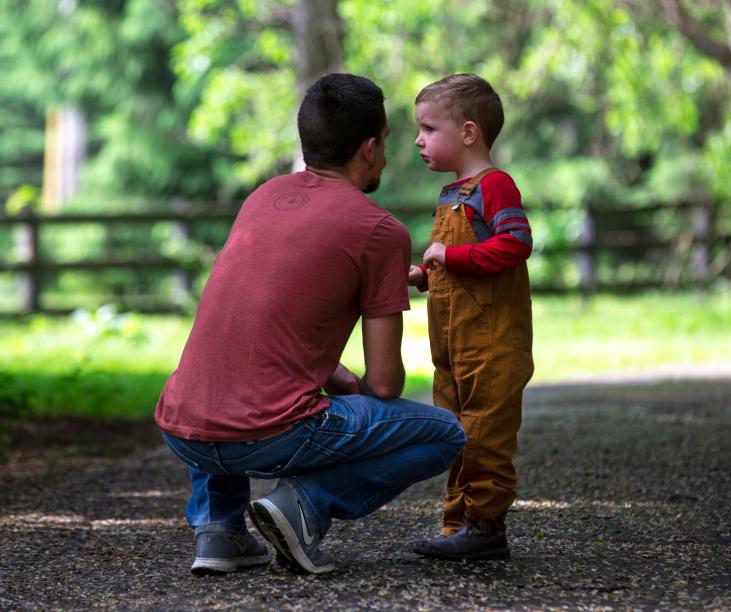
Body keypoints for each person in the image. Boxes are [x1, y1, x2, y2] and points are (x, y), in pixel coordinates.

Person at [155, 73, 466, 576]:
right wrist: (347, 399)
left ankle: (221, 531)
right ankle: (305, 505)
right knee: (446, 434)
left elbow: (266, 321)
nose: (387, 153)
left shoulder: (261, 199)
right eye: (386, 142)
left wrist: (329, 371)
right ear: (369, 148)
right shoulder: (380, 231)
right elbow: (385, 383)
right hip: (269, 435)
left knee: (220, 387)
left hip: (183, 426)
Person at [407, 74, 534, 561]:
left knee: (484, 435)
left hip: (492, 344)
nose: (419, 140)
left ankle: (485, 526)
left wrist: (449, 257)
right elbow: (453, 257)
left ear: (468, 132)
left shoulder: (495, 185)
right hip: (453, 347)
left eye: (428, 129)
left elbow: (515, 243)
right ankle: (457, 525)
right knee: (455, 432)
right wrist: (425, 271)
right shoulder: (450, 192)